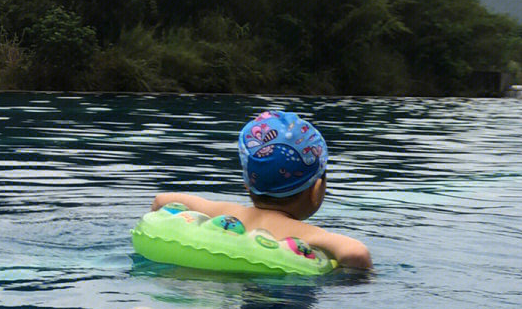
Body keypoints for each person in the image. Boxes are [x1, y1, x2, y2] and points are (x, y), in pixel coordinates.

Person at [151, 110, 373, 272]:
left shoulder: (225, 212)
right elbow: (356, 253)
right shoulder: (308, 235)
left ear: (247, 183)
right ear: (317, 189)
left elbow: (162, 200)